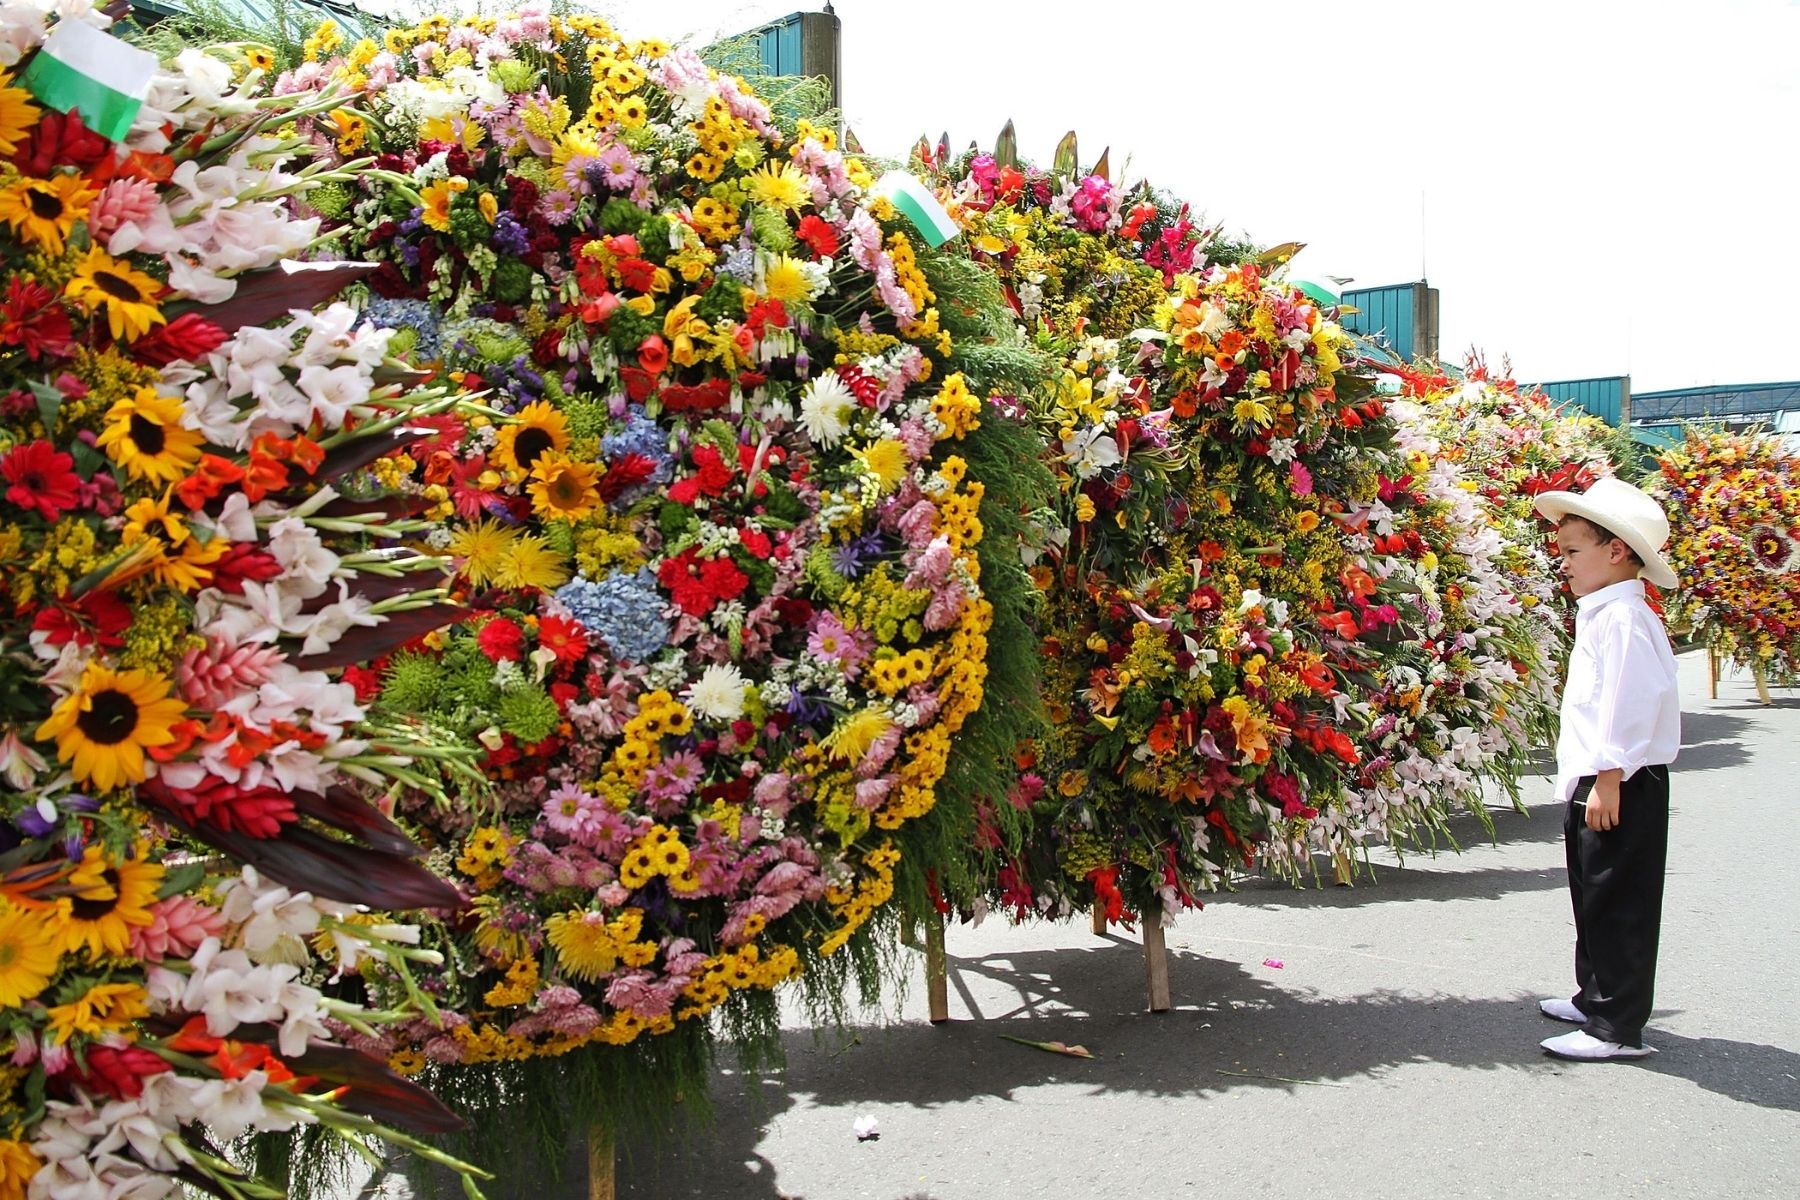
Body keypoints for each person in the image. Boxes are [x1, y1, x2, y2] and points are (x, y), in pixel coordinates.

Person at [1531, 476, 1682, 1062]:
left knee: (1617, 898)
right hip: (1600, 777)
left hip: (1618, 780)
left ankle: (1614, 1025)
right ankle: (1594, 993)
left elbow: (1628, 700)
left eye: (1572, 551)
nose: (1563, 564)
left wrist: (1608, 777)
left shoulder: (1623, 617)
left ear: (1616, 550)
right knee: (1592, 891)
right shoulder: (1606, 613)